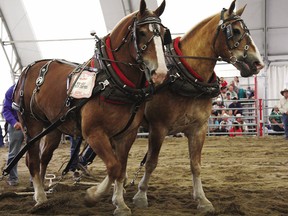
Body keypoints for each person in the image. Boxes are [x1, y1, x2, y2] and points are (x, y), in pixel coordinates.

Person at [2, 84, 24, 186]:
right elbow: (5, 110)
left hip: (32, 125)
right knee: (13, 153)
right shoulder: (11, 91)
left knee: (35, 151)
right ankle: (13, 178)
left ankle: (35, 178)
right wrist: (14, 122)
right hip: (16, 125)